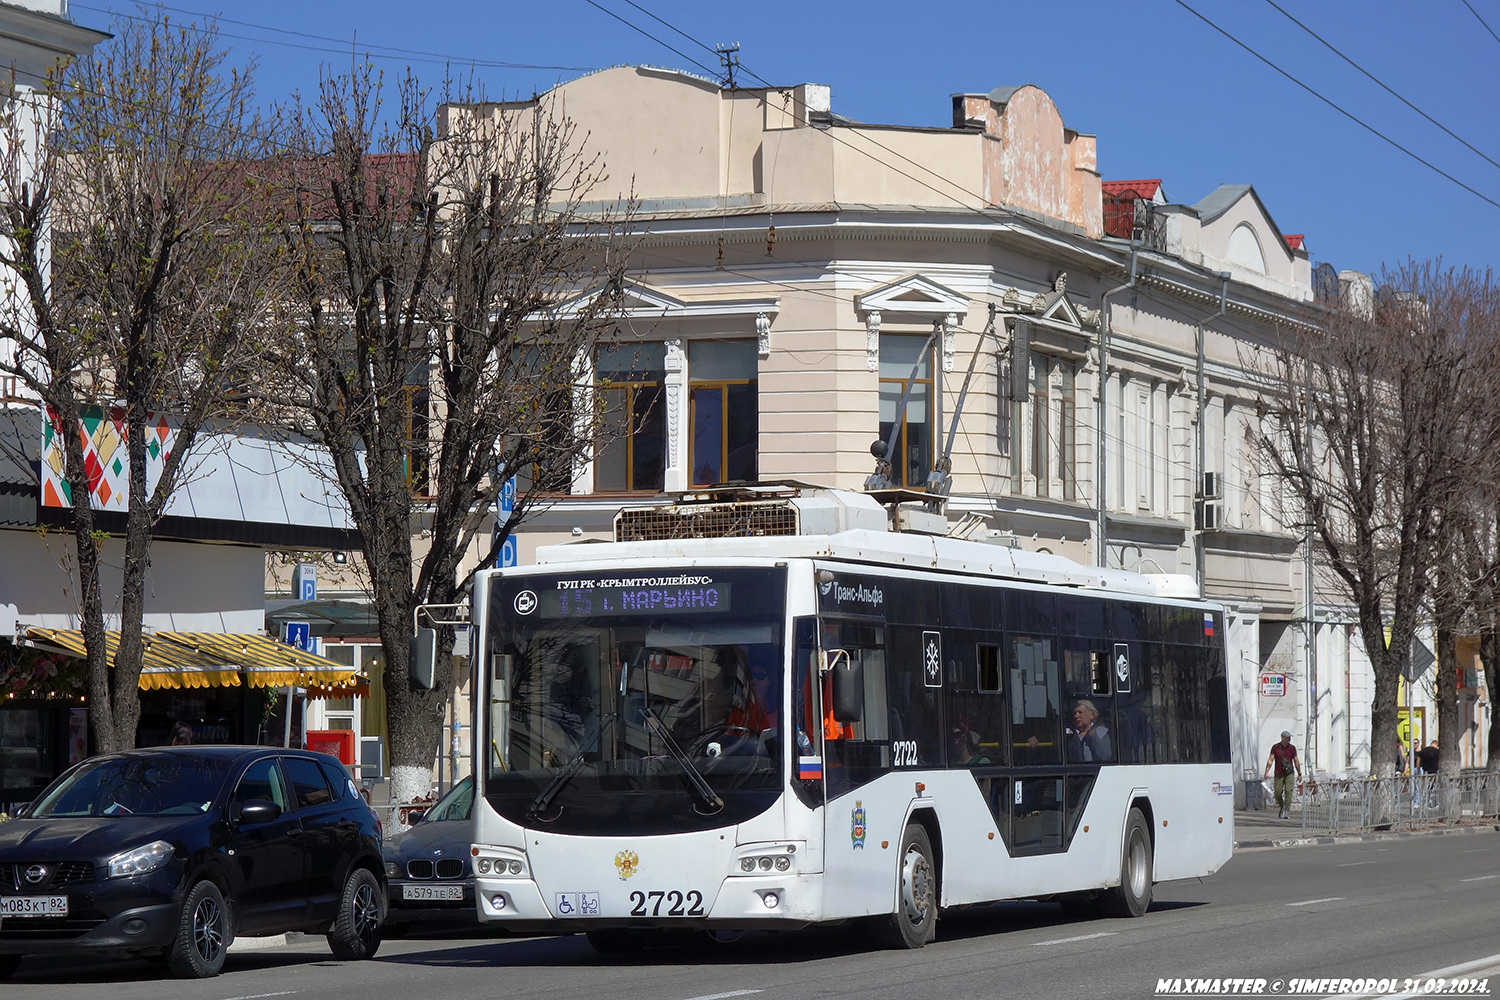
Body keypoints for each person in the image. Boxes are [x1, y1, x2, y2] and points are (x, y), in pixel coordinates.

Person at [1264, 730, 1301, 819]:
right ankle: (1282, 806)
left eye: (1290, 738)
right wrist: (1266, 772)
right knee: (1277, 793)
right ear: (1283, 738)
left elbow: (1296, 760)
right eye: (1288, 738)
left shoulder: (1292, 748)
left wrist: (1299, 773)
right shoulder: (1275, 747)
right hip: (1279, 773)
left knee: (1288, 791)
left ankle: (1286, 811)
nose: (1289, 740)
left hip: (1289, 773)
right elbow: (1270, 760)